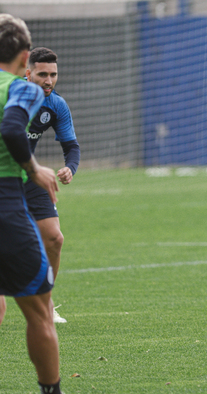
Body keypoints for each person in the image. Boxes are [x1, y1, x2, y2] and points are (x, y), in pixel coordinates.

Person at [0, 13, 63, 393]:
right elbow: (11, 127)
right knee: (40, 314)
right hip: (6, 205)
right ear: (26, 58)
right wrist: (34, 168)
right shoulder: (23, 89)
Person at [0, 47, 80, 324]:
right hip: (6, 176)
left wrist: (70, 167)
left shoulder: (56, 105)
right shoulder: (9, 94)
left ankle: (46, 303)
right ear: (27, 72)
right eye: (42, 74)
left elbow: (72, 146)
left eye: (53, 75)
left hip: (31, 177)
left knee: (54, 238)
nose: (49, 80)